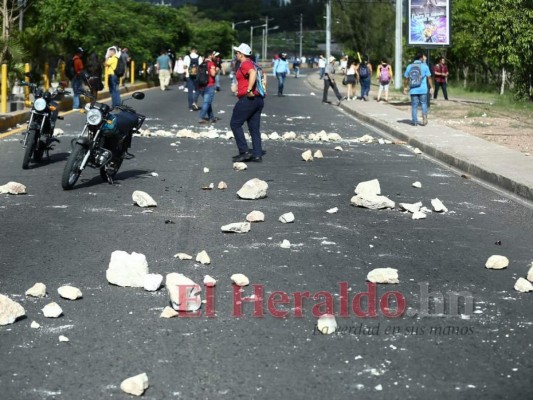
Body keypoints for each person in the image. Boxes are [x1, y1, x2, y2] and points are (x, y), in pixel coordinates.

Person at [230, 43, 265, 163]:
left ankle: (244, 152)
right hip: (258, 99)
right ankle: (257, 154)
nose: (236, 54)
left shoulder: (245, 64)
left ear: (242, 54)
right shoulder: (254, 63)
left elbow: (253, 73)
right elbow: (263, 76)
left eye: (237, 52)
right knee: (254, 128)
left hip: (248, 98)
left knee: (235, 123)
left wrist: (249, 89)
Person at [403, 51, 434, 126]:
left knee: (414, 105)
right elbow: (429, 77)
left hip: (413, 89)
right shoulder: (425, 66)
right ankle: (424, 118)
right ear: (421, 58)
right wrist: (431, 87)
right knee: (424, 103)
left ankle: (414, 121)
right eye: (423, 57)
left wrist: (405, 87)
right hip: (423, 89)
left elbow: (406, 78)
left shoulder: (409, 66)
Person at [197, 52, 218, 124]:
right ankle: (201, 117)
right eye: (213, 55)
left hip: (201, 85)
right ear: (210, 55)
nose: (214, 56)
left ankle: (211, 117)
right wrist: (217, 71)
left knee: (208, 102)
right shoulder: (211, 63)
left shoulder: (201, 64)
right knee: (207, 102)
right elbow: (213, 74)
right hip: (209, 85)